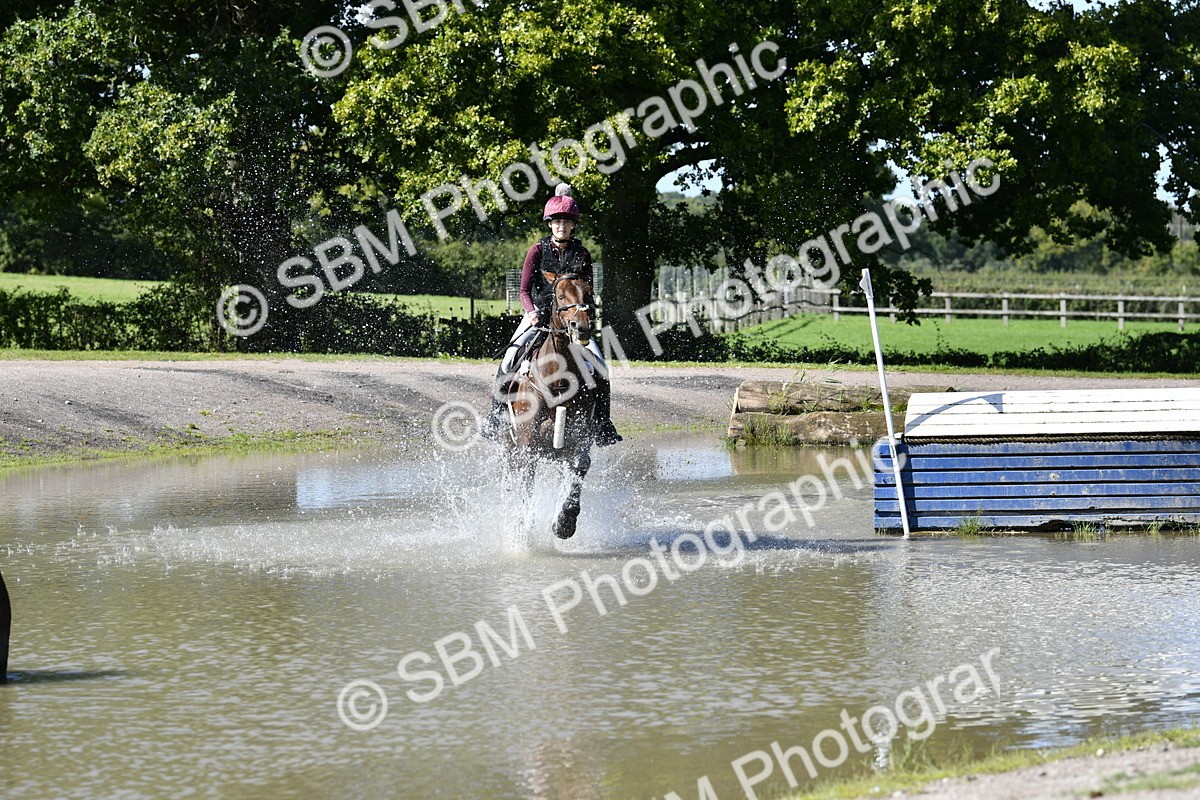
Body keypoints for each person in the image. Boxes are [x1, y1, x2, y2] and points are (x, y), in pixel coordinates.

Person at [483, 183, 622, 446]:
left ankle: (603, 424)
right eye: (557, 222)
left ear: (573, 226)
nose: (562, 226)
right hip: (538, 317)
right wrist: (531, 312)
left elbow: (587, 291)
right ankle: (495, 416)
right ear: (550, 224)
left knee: (601, 367)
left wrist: (584, 314)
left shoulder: (582, 254)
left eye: (567, 223)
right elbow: (524, 290)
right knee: (509, 359)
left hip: (572, 321)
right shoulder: (537, 251)